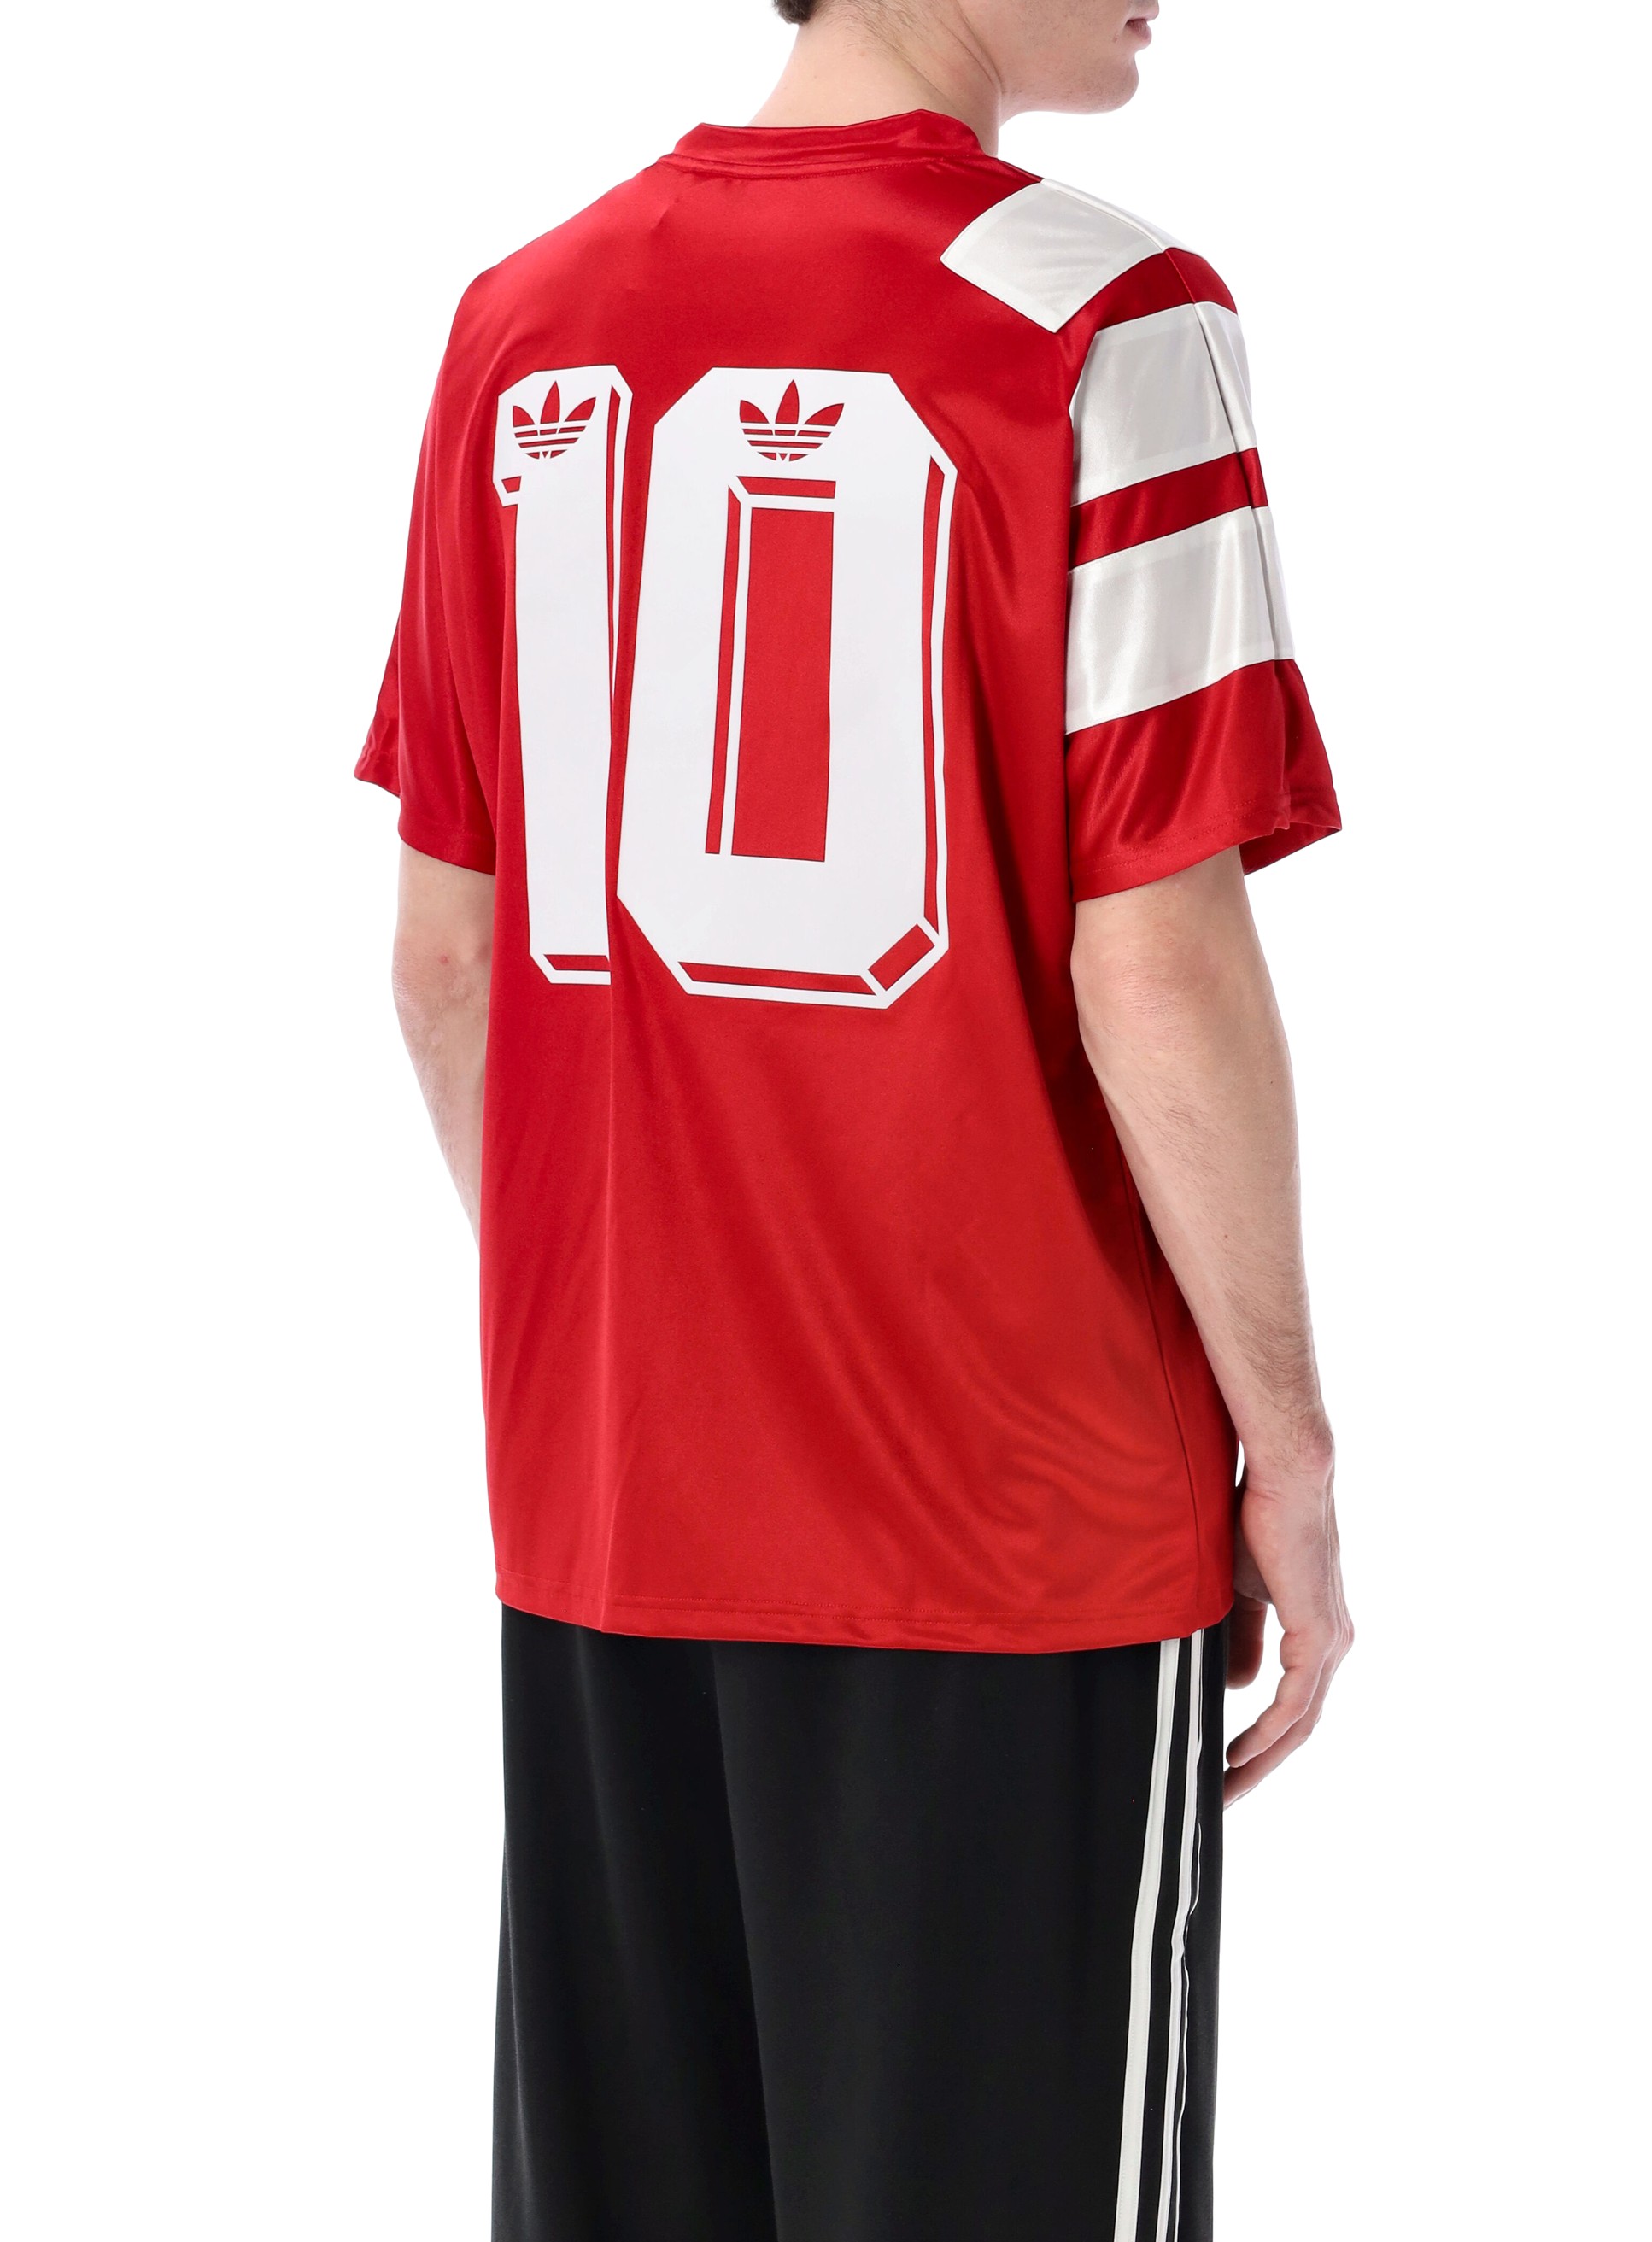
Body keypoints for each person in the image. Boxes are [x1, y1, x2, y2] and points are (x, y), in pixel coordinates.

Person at [357, 2, 1352, 2234]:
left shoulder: (522, 321)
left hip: (610, 1509)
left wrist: (649, 1327)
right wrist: (1288, 1447)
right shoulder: (1109, 314)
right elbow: (1157, 963)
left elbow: (443, 961)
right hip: (1005, 1528)